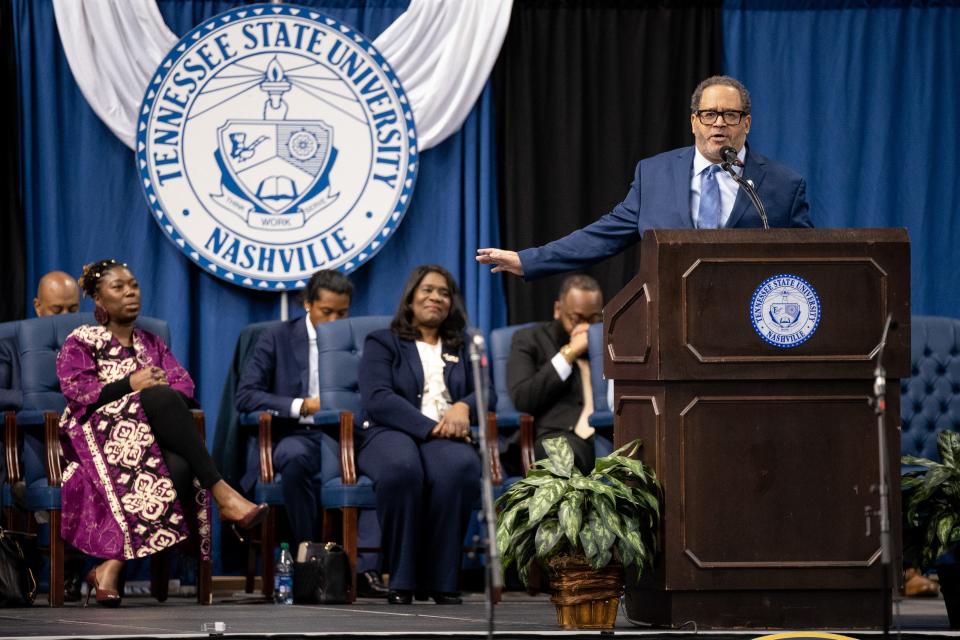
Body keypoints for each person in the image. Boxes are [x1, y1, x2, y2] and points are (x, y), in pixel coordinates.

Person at [56, 259, 267, 606]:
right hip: (94, 440)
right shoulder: (82, 340)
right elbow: (78, 393)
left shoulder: (151, 343)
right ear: (97, 299)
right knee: (156, 394)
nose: (130, 293)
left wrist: (150, 393)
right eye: (118, 287)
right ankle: (223, 492)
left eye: (134, 285)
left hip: (147, 441)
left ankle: (109, 568)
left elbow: (184, 385)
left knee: (180, 465)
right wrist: (130, 385)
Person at [476, 75, 813, 280]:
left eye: (730, 115)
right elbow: (601, 236)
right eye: (709, 114)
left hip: (752, 329)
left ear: (746, 123)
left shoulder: (783, 185)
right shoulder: (654, 174)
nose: (719, 124)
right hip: (670, 324)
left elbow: (812, 261)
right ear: (694, 121)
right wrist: (528, 260)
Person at [235, 269, 387, 598]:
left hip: (348, 433)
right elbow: (246, 395)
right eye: (327, 312)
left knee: (384, 459)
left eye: (342, 313)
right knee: (292, 457)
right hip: (299, 434)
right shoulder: (276, 337)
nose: (334, 320)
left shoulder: (360, 339)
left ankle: (363, 568)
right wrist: (302, 405)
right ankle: (312, 559)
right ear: (307, 305)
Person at [356, 265, 494, 604]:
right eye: (428, 289)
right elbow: (377, 398)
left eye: (444, 292)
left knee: (458, 469)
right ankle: (402, 580)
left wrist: (463, 407)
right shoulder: (383, 341)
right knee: (402, 470)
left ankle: (442, 581)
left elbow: (486, 391)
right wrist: (432, 426)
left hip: (446, 436)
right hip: (390, 432)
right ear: (411, 297)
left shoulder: (463, 346)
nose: (436, 297)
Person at [507, 275, 604, 475]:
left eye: (594, 319)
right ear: (558, 310)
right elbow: (523, 397)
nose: (585, 327)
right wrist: (569, 353)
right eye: (577, 319)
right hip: (557, 436)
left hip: (607, 434)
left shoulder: (609, 342)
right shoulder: (529, 340)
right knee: (561, 456)